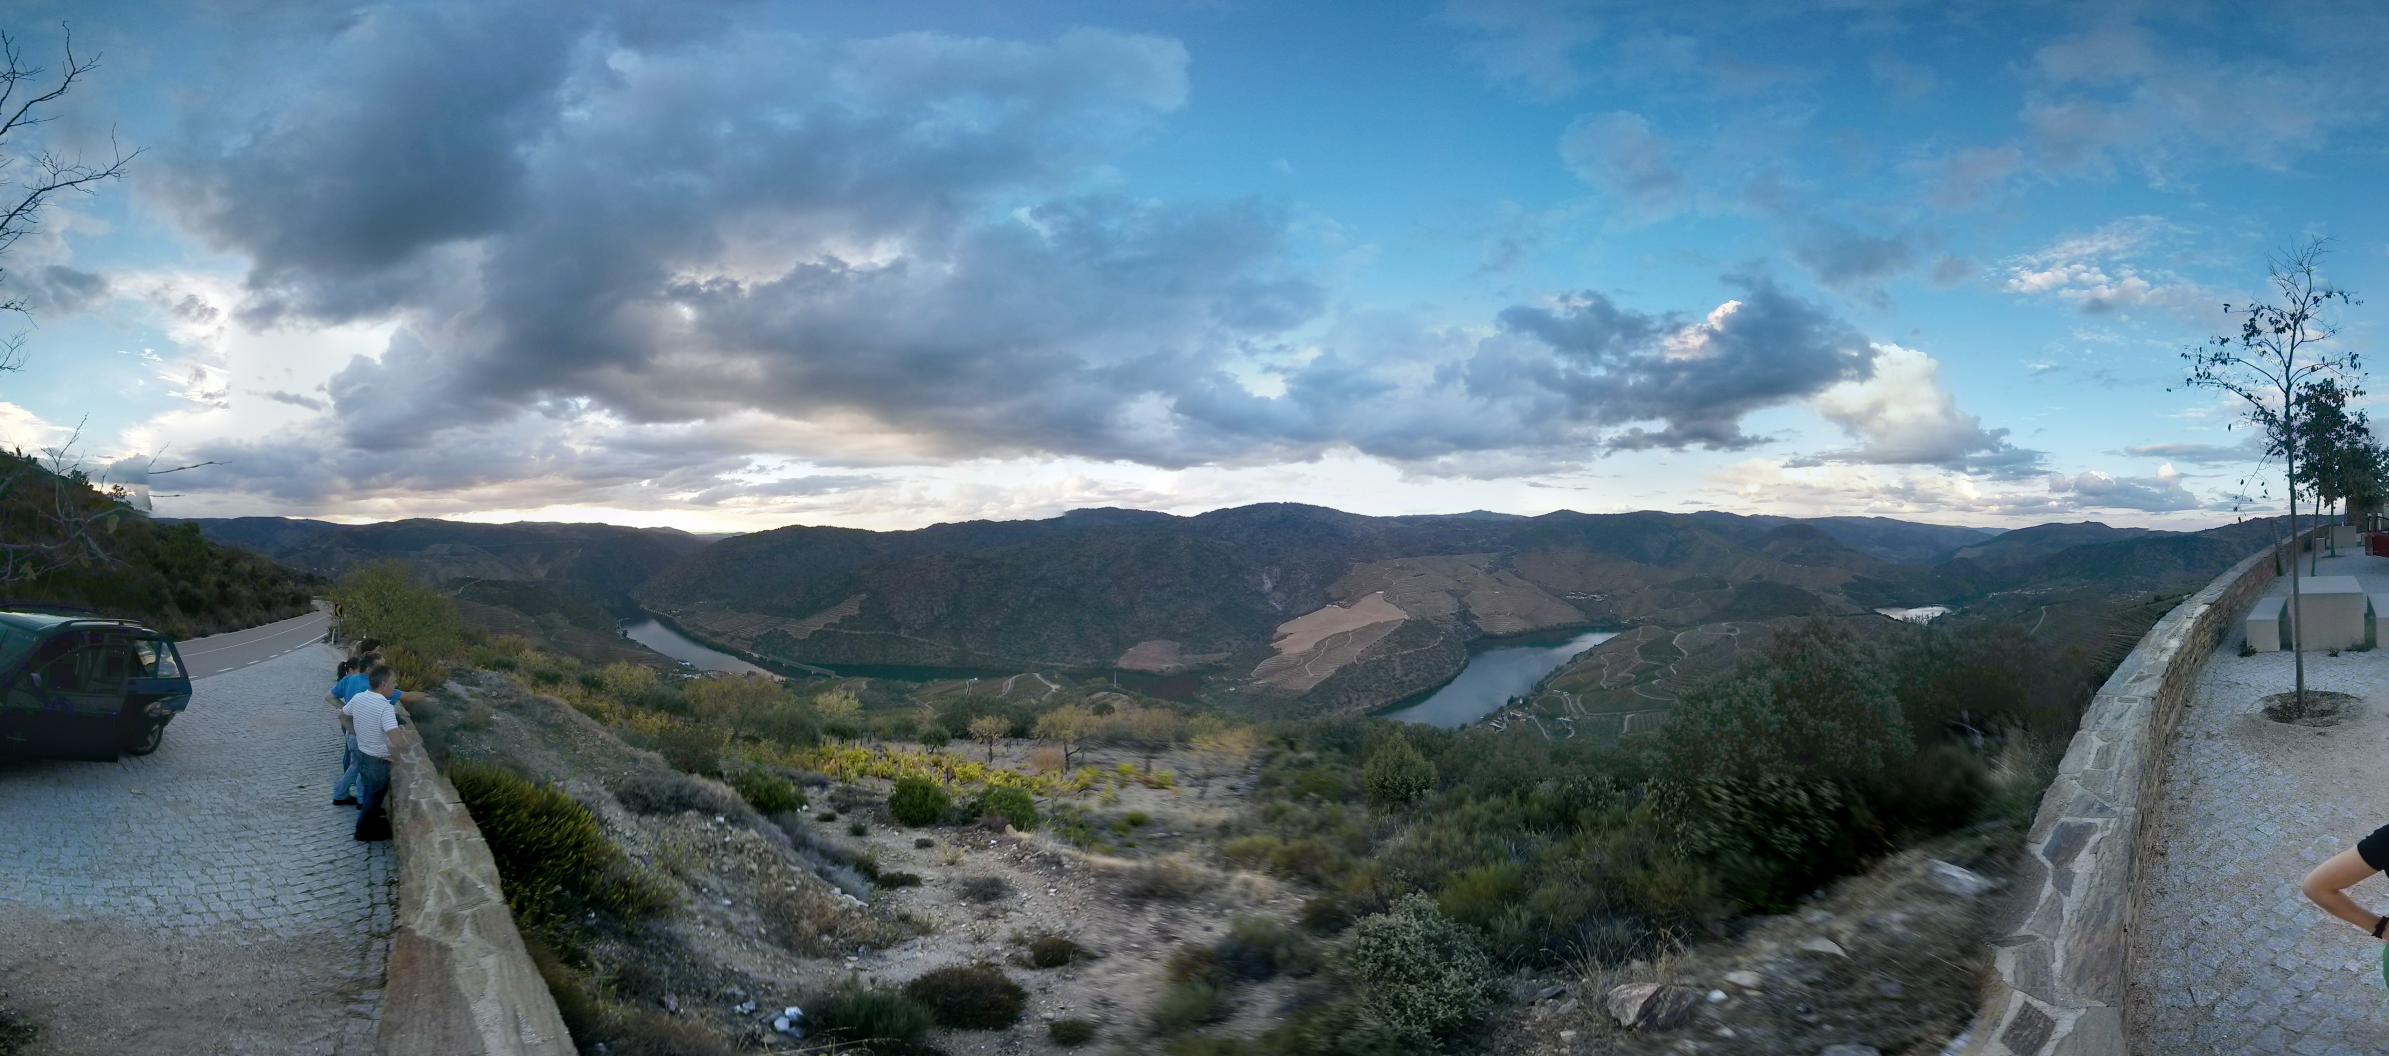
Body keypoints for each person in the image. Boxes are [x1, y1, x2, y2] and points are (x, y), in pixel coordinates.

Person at [344, 664, 401, 843]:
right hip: (377, 760)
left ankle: (369, 826)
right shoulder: (386, 708)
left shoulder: (359, 698)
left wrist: (355, 732)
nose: (395, 686)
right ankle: (362, 832)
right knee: (373, 797)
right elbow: (396, 740)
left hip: (362, 753)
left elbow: (343, 716)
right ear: (383, 684)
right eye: (393, 682)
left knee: (370, 792)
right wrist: (398, 757)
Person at [328, 658, 363, 806]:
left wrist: (345, 708)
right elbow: (329, 697)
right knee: (356, 759)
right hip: (354, 723)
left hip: (346, 721)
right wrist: (346, 708)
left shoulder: (347, 680)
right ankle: (354, 793)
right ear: (351, 670)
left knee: (351, 755)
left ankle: (346, 792)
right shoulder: (353, 680)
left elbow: (329, 696)